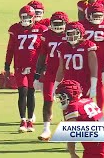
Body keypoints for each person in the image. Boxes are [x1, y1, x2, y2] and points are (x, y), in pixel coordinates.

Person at [5, 5, 48, 133]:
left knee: (31, 92)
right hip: (20, 66)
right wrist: (7, 65)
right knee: (22, 92)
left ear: (34, 17)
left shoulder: (41, 29)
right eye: (23, 17)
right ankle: (23, 119)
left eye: (28, 17)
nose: (26, 19)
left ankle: (30, 120)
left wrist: (44, 66)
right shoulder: (15, 29)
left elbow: (44, 50)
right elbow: (10, 49)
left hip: (34, 66)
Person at [55, 80, 104, 158]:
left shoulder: (73, 107)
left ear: (69, 95)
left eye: (61, 97)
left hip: (94, 152)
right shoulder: (88, 101)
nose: (60, 100)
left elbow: (70, 135)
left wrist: (72, 153)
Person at [34, 11, 69, 141]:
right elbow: (42, 55)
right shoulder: (47, 35)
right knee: (48, 100)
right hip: (50, 71)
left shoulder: (69, 34)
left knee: (68, 102)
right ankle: (46, 129)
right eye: (56, 24)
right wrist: (37, 75)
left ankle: (68, 128)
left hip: (67, 72)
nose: (58, 26)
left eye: (61, 24)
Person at [80, 3, 104, 110]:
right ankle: (86, 112)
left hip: (101, 59)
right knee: (84, 86)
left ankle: (99, 112)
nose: (97, 18)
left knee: (99, 87)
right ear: (88, 15)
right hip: (84, 60)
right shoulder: (82, 25)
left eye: (100, 16)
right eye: (95, 16)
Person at [55, 21, 98, 99]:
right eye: (69, 34)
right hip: (68, 84)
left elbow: (94, 69)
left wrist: (93, 86)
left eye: (74, 33)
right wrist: (55, 85)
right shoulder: (63, 47)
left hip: (84, 83)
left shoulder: (88, 46)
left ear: (81, 33)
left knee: (83, 108)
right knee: (68, 109)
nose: (72, 36)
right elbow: (61, 69)